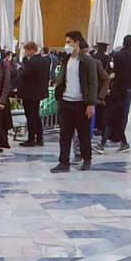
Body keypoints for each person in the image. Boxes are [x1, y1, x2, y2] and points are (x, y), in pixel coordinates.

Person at [51, 31, 97, 173]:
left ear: (76, 43)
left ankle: (87, 159)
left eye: (69, 42)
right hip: (66, 102)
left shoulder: (87, 61)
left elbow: (93, 82)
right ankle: (63, 162)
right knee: (64, 135)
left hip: (81, 103)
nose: (66, 45)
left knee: (83, 134)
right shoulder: (66, 60)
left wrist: (90, 103)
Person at [110, 35, 131, 152]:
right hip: (129, 87)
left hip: (117, 87)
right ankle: (121, 138)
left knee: (114, 112)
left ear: (123, 42)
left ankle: (116, 137)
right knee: (124, 113)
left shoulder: (117, 55)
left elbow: (113, 70)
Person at [17, 41, 50, 147]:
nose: (25, 53)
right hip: (39, 92)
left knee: (30, 116)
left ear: (32, 50)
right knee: (36, 115)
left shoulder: (31, 62)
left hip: (29, 93)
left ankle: (31, 139)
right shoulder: (44, 61)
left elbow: (25, 75)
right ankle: (39, 138)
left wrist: (20, 69)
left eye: (26, 50)